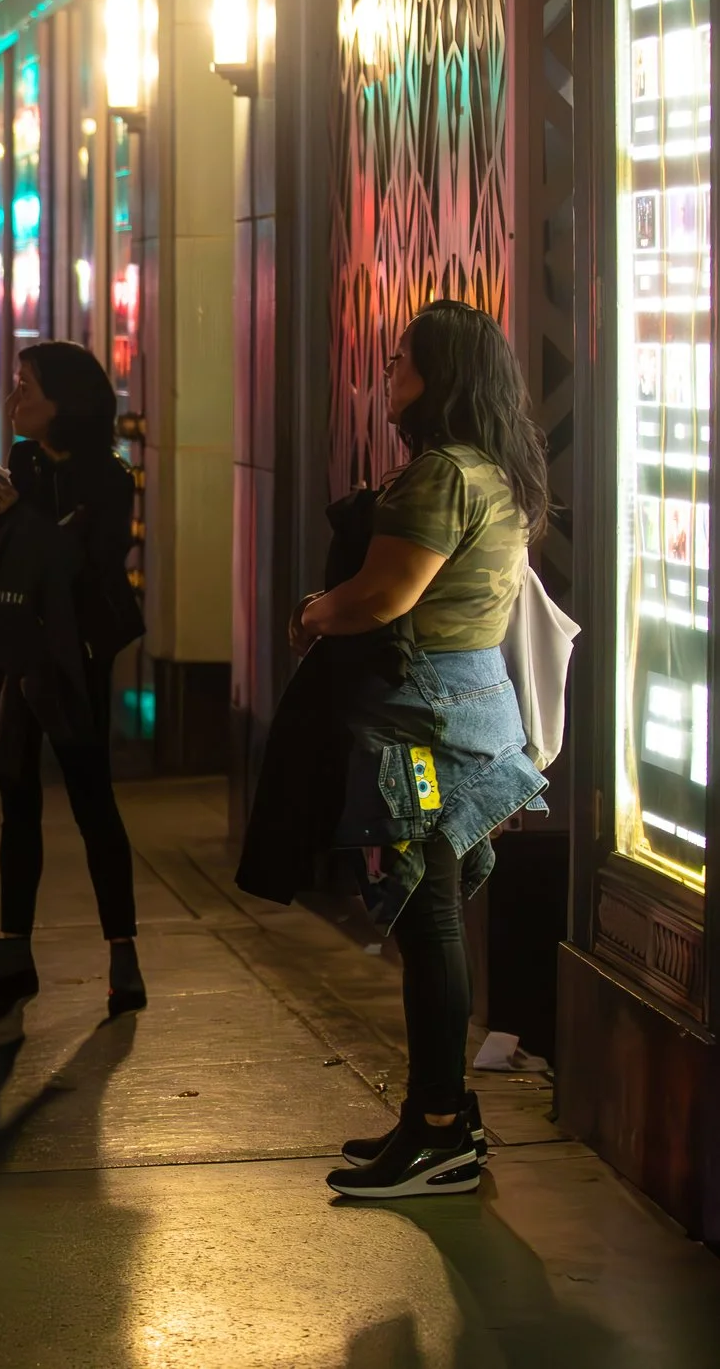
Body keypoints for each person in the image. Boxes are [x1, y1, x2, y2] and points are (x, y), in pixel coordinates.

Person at [291, 301, 546, 1199]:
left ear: (437, 377)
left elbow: (384, 596)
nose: (386, 377)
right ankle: (440, 1114)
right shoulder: (495, 469)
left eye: (400, 362)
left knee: (426, 920)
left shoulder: (441, 473)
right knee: (432, 917)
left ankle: (439, 1129)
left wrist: (315, 611)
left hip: (423, 715)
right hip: (473, 704)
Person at [0, 341, 145, 1019]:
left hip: (73, 651)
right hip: (12, 641)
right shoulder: (23, 462)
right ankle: (12, 952)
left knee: (92, 798)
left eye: (26, 387)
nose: (13, 399)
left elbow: (86, 564)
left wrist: (21, 519)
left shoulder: (111, 476)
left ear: (66, 402)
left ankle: (123, 954)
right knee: (17, 793)